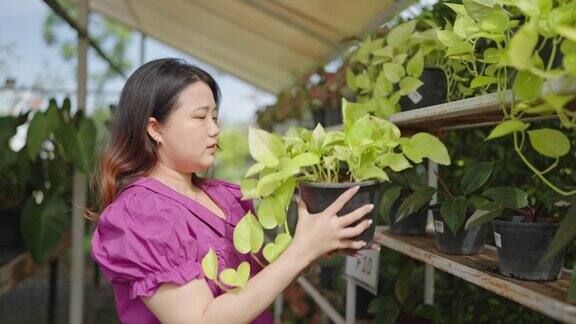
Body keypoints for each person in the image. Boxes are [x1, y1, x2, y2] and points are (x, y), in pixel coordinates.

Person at [89, 58, 379, 324]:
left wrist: (320, 243)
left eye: (215, 117)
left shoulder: (223, 196)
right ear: (155, 128)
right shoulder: (142, 212)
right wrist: (302, 252)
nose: (214, 129)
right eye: (200, 117)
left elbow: (258, 280)